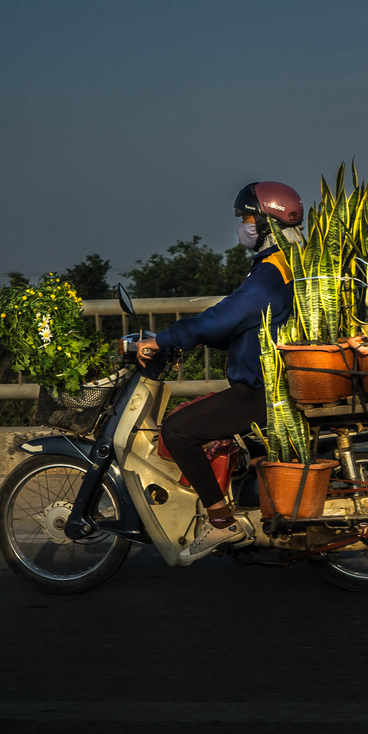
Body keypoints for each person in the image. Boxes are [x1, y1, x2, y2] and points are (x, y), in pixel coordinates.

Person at [134, 181, 301, 562]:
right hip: (269, 383)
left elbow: (222, 317)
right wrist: (192, 340)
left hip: (260, 391)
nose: (242, 226)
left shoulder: (269, 275)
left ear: (264, 222)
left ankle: (220, 522)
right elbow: (245, 327)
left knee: (178, 430)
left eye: (246, 218)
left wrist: (162, 340)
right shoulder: (282, 266)